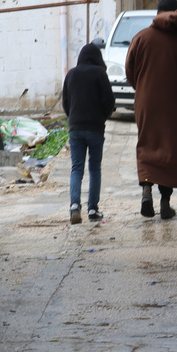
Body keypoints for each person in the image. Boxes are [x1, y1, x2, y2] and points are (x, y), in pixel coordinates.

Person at [125, 0, 177, 219]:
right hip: (174, 102)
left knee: (147, 144)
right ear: (176, 13)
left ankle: (146, 191)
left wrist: (144, 87)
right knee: (170, 147)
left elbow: (130, 71)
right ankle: (165, 202)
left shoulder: (141, 37)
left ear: (157, 13)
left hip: (146, 101)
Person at [61, 42, 116, 224]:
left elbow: (66, 103)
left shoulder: (71, 74)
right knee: (94, 168)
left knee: (77, 168)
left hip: (75, 129)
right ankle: (93, 209)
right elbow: (110, 100)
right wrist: (103, 117)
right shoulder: (100, 73)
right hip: (95, 129)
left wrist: (73, 119)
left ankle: (74, 207)